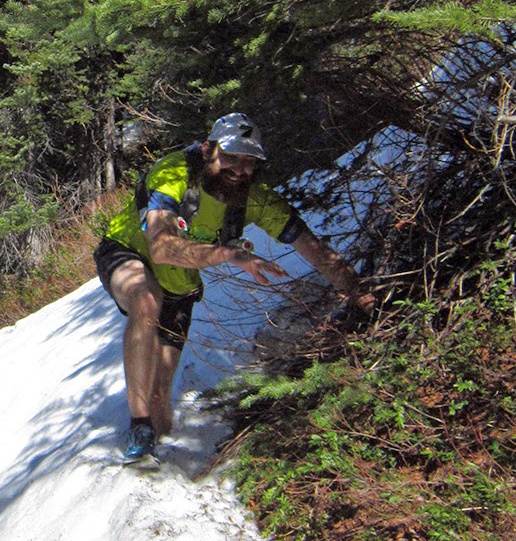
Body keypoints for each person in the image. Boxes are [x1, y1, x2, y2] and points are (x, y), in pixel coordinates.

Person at [94, 112, 373, 467]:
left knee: (161, 397)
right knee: (145, 299)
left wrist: (362, 296)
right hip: (127, 251)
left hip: (180, 282)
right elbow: (161, 247)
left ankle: (157, 457)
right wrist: (227, 254)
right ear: (208, 150)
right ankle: (139, 428)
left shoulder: (255, 199)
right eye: (230, 157)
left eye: (249, 162)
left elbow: (313, 248)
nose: (240, 170)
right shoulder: (173, 173)